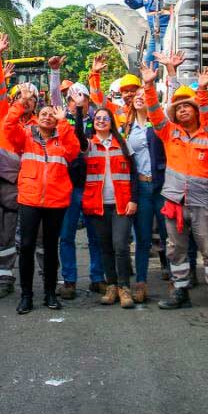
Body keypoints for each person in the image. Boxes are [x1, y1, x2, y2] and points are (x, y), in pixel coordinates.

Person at [142, 54, 208, 312]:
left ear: (198, 110)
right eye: (179, 107)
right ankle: (180, 291)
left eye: (189, 106)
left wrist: (203, 90)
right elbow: (154, 113)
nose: (183, 109)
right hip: (174, 200)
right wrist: (149, 86)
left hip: (202, 202)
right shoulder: (169, 133)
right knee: (175, 249)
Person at [2, 93, 80, 314]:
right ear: (36, 118)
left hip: (56, 201)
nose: (47, 117)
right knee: (26, 246)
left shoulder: (63, 137)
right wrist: (20, 104)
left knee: (49, 247)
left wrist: (64, 120)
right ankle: (26, 295)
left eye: (51, 115)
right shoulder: (25, 137)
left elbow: (73, 151)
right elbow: (8, 125)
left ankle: (50, 293)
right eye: (43, 113)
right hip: (30, 199)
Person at [78, 106, 139, 308]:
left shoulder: (122, 144)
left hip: (121, 204)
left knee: (120, 246)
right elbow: (78, 134)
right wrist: (79, 109)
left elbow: (134, 174)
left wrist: (134, 199)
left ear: (112, 122)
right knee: (105, 247)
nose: (101, 121)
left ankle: (124, 287)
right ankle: (111, 286)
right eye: (97, 118)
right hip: (98, 205)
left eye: (105, 118)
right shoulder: (89, 144)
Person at [58, 82, 106, 300]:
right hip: (68, 186)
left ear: (88, 100)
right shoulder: (62, 122)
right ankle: (69, 281)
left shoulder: (98, 121)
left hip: (92, 185)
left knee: (95, 236)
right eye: (74, 99)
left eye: (82, 98)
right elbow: (75, 138)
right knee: (66, 236)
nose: (78, 102)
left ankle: (98, 278)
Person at [0, 33, 27, 298]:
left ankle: (41, 281)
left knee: (35, 240)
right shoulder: (4, 118)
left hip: (33, 189)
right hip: (6, 189)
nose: (25, 101)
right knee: (4, 237)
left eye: (30, 98)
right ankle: (5, 279)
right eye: (20, 97)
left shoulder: (40, 127)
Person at [120, 88, 165, 304]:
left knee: (172, 237)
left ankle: (181, 280)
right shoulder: (127, 129)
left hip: (163, 188)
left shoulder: (159, 123)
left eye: (144, 94)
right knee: (143, 239)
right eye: (137, 95)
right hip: (142, 189)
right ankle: (141, 283)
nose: (139, 97)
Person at [122, 0, 170, 67]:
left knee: (165, 58)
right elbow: (135, 5)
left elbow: (170, 5)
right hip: (154, 34)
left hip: (166, 32)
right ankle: (152, 80)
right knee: (149, 61)